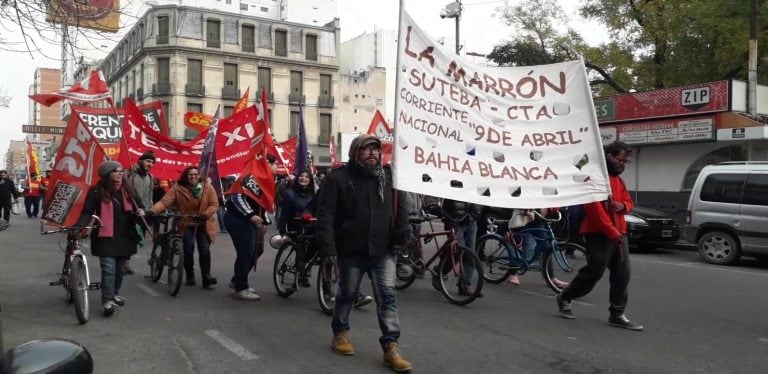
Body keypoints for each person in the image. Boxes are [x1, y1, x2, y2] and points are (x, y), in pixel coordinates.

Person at [315, 134, 412, 372]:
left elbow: (402, 210)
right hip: (351, 249)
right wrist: (328, 248)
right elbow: (325, 215)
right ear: (355, 152)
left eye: (375, 150)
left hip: (383, 250)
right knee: (347, 294)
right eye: (366, 149)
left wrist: (401, 235)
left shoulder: (390, 178)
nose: (372, 153)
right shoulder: (337, 179)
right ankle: (340, 333)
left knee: (387, 298)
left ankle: (391, 346)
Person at [556, 141, 642, 331]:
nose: (623, 164)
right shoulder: (594, 178)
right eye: (621, 160)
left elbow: (628, 201)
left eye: (626, 161)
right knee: (594, 272)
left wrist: (623, 206)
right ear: (609, 156)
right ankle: (565, 296)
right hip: (599, 234)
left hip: (620, 233)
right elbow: (594, 209)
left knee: (622, 275)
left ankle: (617, 313)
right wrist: (611, 231)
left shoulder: (618, 181)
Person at [75, 161, 146, 316]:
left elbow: (139, 207)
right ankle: (107, 301)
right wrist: (79, 225)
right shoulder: (96, 191)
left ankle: (114, 293)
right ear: (107, 175)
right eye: (116, 171)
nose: (120, 174)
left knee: (120, 269)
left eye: (121, 171)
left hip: (125, 236)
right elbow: (87, 211)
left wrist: (140, 212)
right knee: (108, 269)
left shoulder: (128, 189)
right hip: (105, 236)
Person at [150, 166, 219, 288]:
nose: (193, 177)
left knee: (205, 250)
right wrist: (153, 210)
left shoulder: (207, 187)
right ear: (185, 176)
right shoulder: (177, 188)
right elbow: (165, 202)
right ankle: (189, 275)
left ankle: (206, 276)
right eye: (190, 175)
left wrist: (205, 213)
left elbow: (214, 204)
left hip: (203, 223)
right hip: (185, 222)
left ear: (199, 175)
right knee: (188, 249)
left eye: (196, 174)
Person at [224, 155, 278, 301]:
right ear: (267, 164)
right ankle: (241, 287)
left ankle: (237, 279)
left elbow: (266, 203)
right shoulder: (249, 177)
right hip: (238, 219)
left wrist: (265, 221)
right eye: (275, 164)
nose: (277, 168)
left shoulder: (269, 181)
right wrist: (251, 215)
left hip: (252, 221)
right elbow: (237, 197)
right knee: (246, 251)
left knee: (257, 250)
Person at [123, 151, 156, 275]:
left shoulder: (150, 177)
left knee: (137, 236)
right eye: (148, 161)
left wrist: (150, 210)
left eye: (152, 162)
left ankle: (126, 259)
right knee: (127, 236)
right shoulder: (128, 173)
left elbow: (150, 195)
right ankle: (124, 262)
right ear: (140, 161)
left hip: (143, 212)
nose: (150, 164)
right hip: (129, 211)